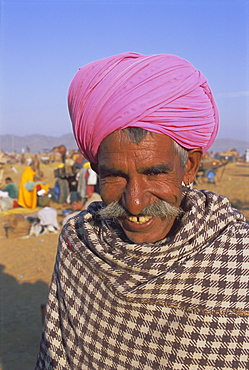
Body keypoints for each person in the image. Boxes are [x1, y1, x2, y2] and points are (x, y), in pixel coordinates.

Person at [36, 53, 249, 369]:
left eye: (154, 173)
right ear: (96, 169)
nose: (134, 203)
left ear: (189, 167)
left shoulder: (238, 257)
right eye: (114, 176)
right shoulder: (79, 241)